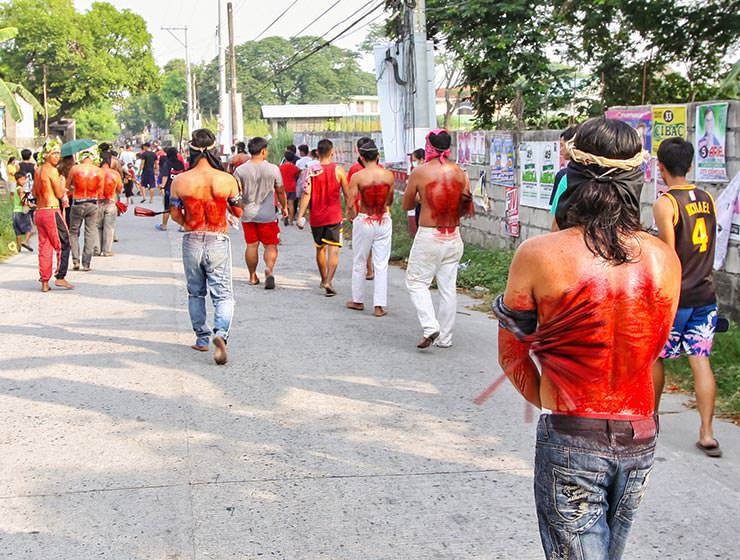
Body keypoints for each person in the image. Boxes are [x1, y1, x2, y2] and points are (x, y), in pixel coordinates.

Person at [492, 117, 680, 560]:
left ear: (572, 179)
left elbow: (511, 355)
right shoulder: (663, 259)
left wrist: (550, 400)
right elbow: (654, 359)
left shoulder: (540, 254)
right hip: (641, 434)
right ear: (636, 182)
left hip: (572, 429)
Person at [652, 137, 722, 458]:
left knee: (655, 358)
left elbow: (668, 254)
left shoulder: (666, 203)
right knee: (700, 360)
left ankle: (650, 421)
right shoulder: (708, 197)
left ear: (660, 166)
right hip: (705, 295)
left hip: (675, 297)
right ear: (691, 165)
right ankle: (707, 433)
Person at [170, 128, 243, 365]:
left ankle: (202, 338)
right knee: (223, 295)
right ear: (214, 149)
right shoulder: (227, 179)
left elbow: (174, 213)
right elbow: (238, 210)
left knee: (195, 291)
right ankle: (220, 334)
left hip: (192, 237)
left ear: (191, 150)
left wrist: (188, 223)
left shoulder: (180, 180)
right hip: (218, 238)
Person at [402, 129, 472, 348]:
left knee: (416, 282)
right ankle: (445, 337)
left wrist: (422, 195)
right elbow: (465, 204)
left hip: (430, 234)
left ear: (429, 146)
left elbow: (407, 205)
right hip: (453, 235)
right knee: (448, 287)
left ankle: (431, 326)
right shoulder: (460, 172)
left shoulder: (420, 172)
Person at [346, 138, 394, 317]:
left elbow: (351, 202)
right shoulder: (388, 175)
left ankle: (358, 300)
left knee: (360, 261)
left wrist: (351, 217)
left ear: (361, 157)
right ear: (378, 156)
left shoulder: (358, 177)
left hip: (365, 219)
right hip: (383, 219)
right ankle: (379, 306)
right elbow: (390, 200)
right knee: (381, 264)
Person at [297, 138, 350, 297]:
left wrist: (300, 215)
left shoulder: (311, 170)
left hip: (316, 217)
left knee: (320, 248)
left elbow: (307, 194)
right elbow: (347, 194)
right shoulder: (338, 170)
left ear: (317, 153)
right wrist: (350, 210)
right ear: (332, 152)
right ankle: (329, 280)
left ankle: (322, 279)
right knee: (334, 250)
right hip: (334, 216)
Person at [234, 137, 287, 289]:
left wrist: (237, 209)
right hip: (268, 214)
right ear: (263, 151)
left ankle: (252, 276)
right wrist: (284, 207)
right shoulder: (273, 169)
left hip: (248, 214)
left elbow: (235, 193)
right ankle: (269, 270)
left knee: (251, 245)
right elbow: (280, 190)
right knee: (270, 245)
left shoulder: (240, 170)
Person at [32, 140, 74, 292]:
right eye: (53, 153)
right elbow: (59, 193)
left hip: (40, 212)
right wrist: (62, 182)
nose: (57, 156)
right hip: (51, 211)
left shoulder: (38, 170)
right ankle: (60, 277)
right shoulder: (52, 171)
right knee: (64, 244)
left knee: (45, 246)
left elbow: (34, 192)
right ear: (46, 155)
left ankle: (44, 282)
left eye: (58, 153)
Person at [347, 137, 383, 281]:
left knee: (363, 245)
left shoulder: (355, 170)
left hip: (360, 211)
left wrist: (350, 212)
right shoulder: (382, 170)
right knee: (376, 242)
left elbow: (351, 194)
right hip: (379, 212)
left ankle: (369, 269)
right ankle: (373, 269)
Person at [67, 151, 103, 271]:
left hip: (78, 201)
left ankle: (75, 260)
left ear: (81, 159)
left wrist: (74, 187)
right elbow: (101, 190)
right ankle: (86, 263)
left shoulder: (75, 169)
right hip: (92, 202)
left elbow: (68, 186)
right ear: (93, 159)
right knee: (90, 232)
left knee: (73, 232)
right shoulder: (98, 171)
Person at [548, 125, 578, 213]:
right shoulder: (605, 175)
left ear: (571, 145)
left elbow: (556, 215)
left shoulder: (564, 176)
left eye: (562, 145)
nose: (560, 150)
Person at [97, 154, 123, 257]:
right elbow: (120, 189)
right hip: (111, 202)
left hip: (97, 202)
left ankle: (97, 250)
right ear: (109, 163)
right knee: (109, 227)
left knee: (97, 226)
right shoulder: (115, 174)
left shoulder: (95, 172)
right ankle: (107, 251)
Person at [156, 147, 185, 232]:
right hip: (180, 188)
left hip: (170, 189)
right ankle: (182, 226)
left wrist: (162, 186)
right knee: (180, 207)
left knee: (167, 208)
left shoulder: (167, 163)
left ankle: (164, 225)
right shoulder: (180, 163)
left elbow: (165, 176)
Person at [12, 172, 34, 252]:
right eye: (22, 179)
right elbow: (23, 199)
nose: (24, 181)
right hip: (21, 212)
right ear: (17, 180)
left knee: (18, 232)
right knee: (31, 230)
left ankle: (19, 249)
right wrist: (29, 204)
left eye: (24, 179)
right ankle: (25, 242)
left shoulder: (16, 189)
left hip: (15, 212)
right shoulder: (21, 189)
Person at [279, 151, 301, 225]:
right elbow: (298, 174)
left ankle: (284, 217)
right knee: (291, 204)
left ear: (285, 158)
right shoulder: (295, 167)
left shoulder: (281, 167)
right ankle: (291, 221)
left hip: (283, 187)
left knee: (283, 204)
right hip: (292, 187)